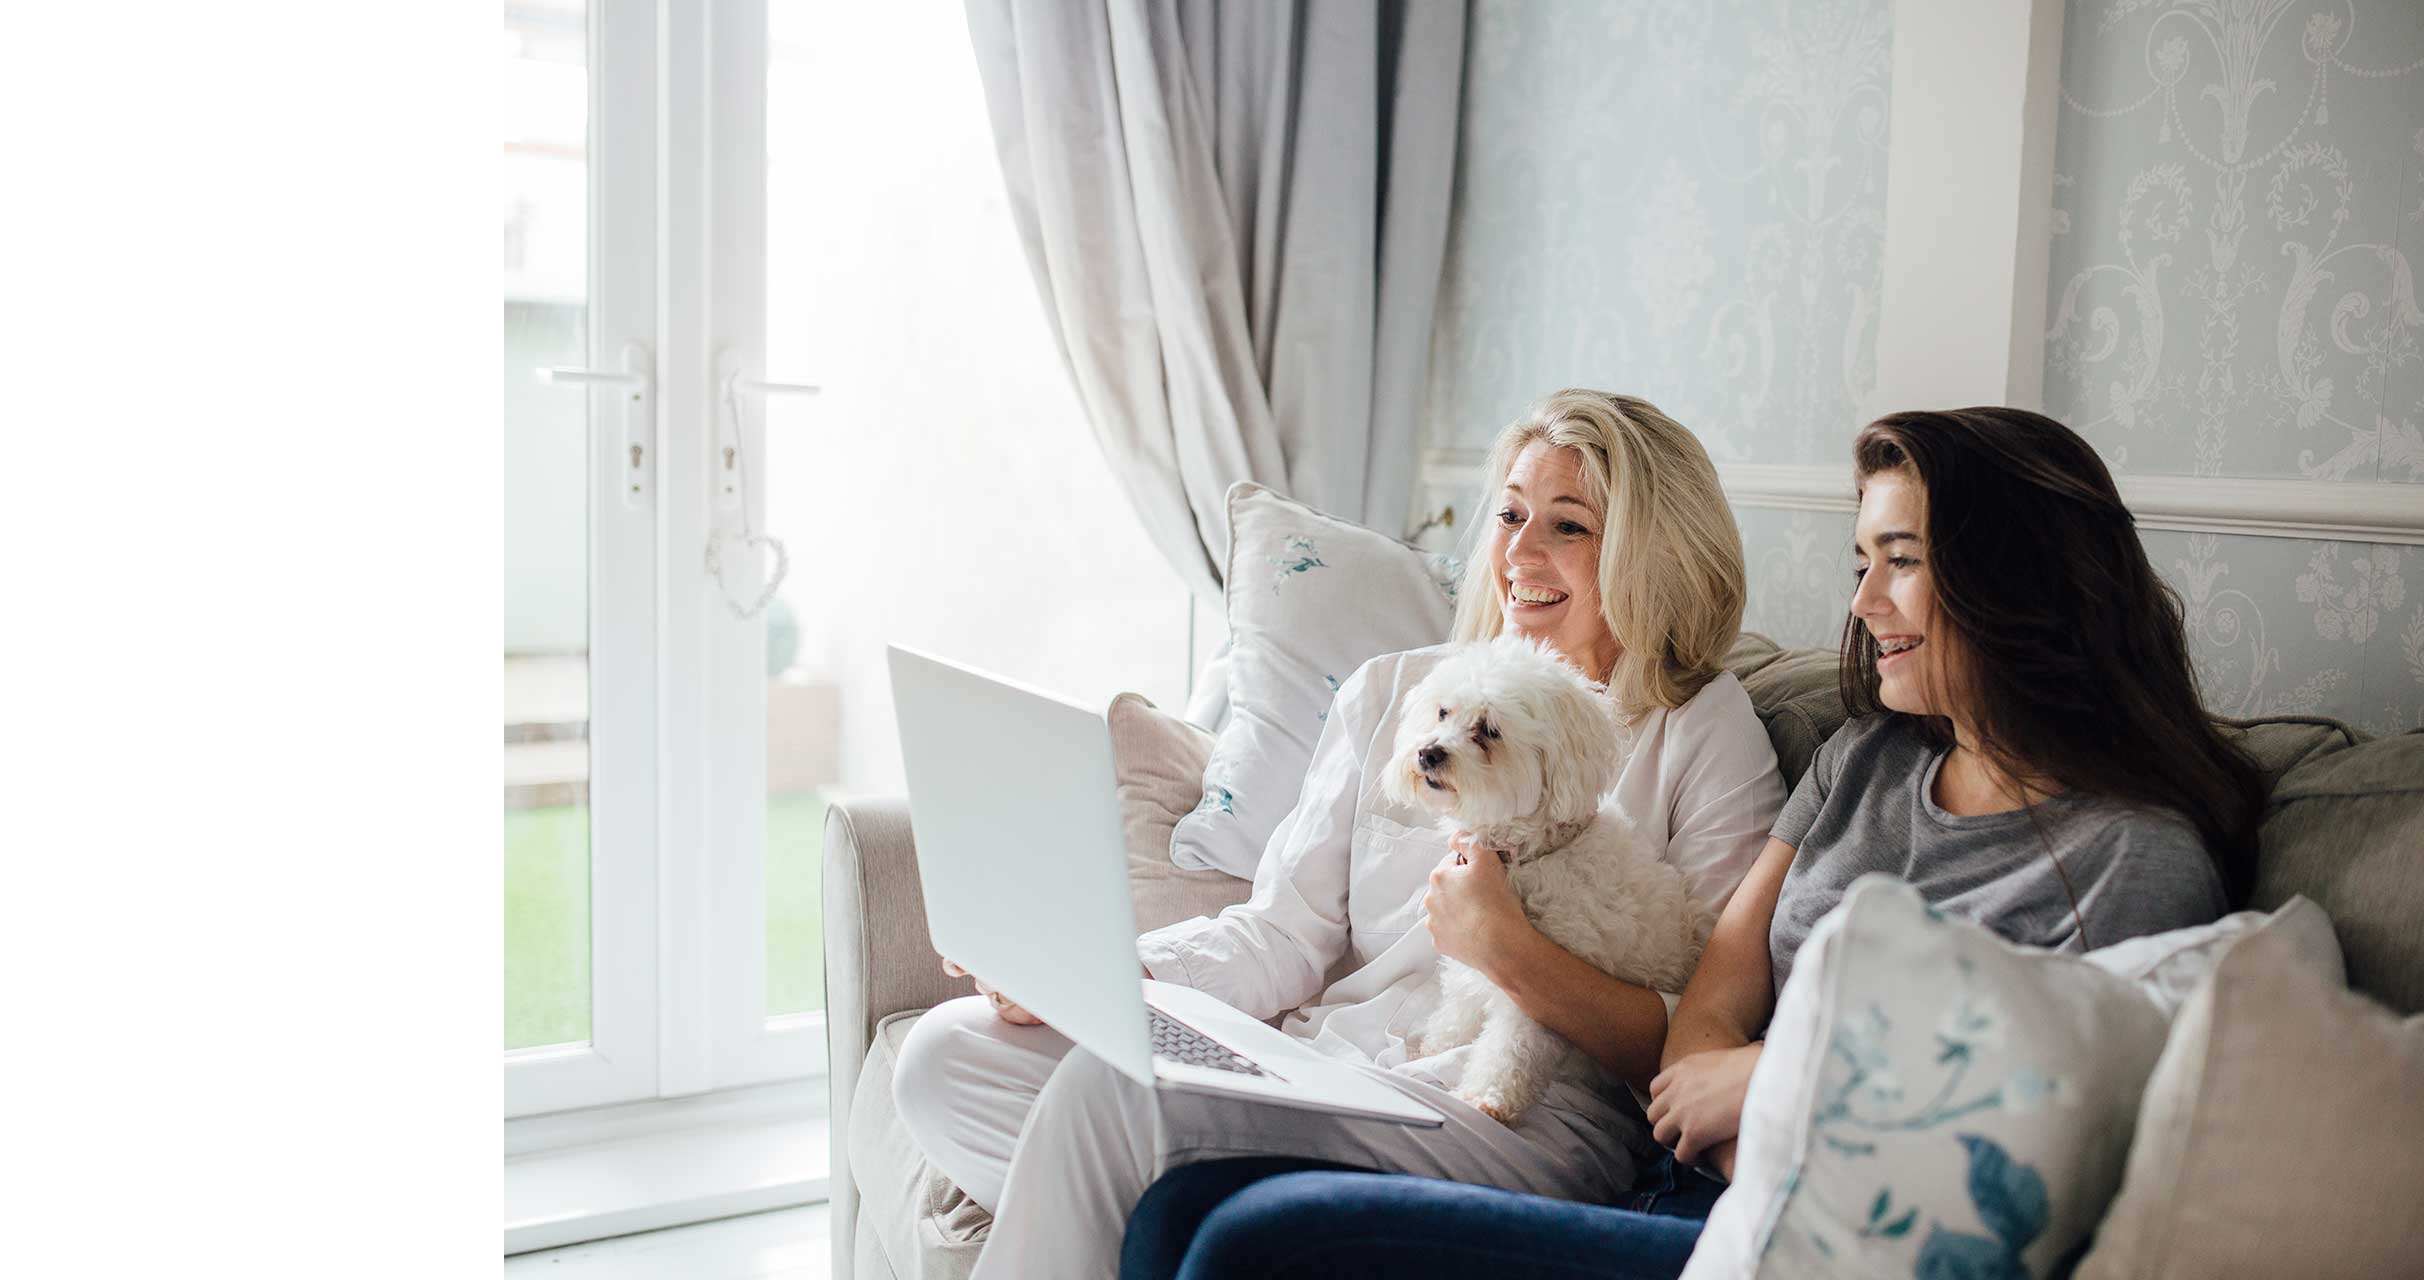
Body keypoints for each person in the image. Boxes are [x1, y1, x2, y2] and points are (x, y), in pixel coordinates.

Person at [1129, 406, 2259, 1280]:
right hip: (1691, 1186)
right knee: (1183, 1204)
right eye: (1861, 560)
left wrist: (1765, 1084)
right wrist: (1716, 1074)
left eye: (1899, 559)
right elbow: (1712, 997)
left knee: (1258, 1237)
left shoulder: (2135, 855)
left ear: (2021, 580)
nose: (1863, 599)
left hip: (1822, 1242)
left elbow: (2058, 1123)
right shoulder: (1862, 764)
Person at [890, 389, 1788, 1280]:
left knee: (1110, 1097)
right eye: (1511, 515)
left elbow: (1694, 1035)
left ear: (1647, 549)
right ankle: (1201, 1203)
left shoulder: (1702, 727)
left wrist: (1510, 950)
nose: (1519, 552)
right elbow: (1281, 930)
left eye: (1568, 526)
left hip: (1513, 1110)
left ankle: (1200, 1197)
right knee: (949, 1055)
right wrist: (1104, 978)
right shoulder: (1397, 692)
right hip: (1325, 1062)